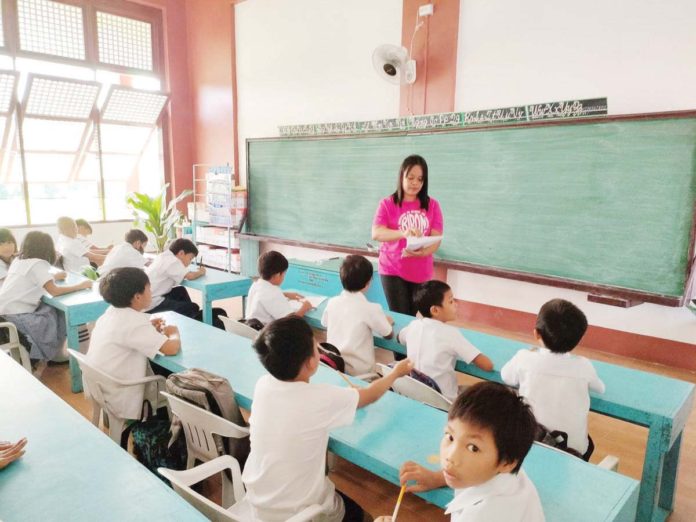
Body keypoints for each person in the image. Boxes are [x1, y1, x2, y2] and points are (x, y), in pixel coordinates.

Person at [241, 316, 413, 522]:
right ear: (312, 362)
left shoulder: (263, 385)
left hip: (259, 505)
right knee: (365, 517)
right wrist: (395, 373)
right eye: (316, 346)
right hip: (303, 514)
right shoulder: (320, 398)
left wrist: (346, 398)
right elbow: (371, 395)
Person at [375, 382, 544, 522]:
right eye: (450, 436)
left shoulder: (480, 515)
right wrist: (436, 478)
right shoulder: (508, 470)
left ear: (506, 462)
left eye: (473, 448)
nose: (451, 457)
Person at [501, 299, 605, 460]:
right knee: (587, 443)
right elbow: (600, 388)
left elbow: (506, 377)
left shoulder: (524, 358)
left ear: (536, 333)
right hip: (574, 452)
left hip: (531, 444)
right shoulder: (584, 365)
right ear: (578, 339)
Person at [87, 267, 180, 420]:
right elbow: (171, 348)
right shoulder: (134, 322)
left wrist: (149, 328)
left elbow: (129, 334)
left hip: (102, 386)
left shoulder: (111, 313)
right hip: (122, 391)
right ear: (137, 297)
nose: (151, 292)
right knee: (173, 376)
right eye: (149, 289)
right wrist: (173, 332)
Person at [0, 231, 92, 361]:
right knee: (63, 314)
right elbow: (54, 291)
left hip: (5, 314)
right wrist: (80, 286)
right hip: (18, 318)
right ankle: (72, 356)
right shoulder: (38, 263)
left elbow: (31, 277)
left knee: (54, 310)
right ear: (47, 248)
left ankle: (57, 355)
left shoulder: (18, 260)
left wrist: (53, 276)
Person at [371, 155, 444, 316]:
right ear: (401, 176)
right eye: (410, 178)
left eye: (420, 179)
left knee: (411, 317)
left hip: (421, 271)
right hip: (392, 269)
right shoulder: (387, 204)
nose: (415, 183)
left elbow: (436, 238)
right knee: (401, 316)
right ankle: (400, 341)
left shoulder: (433, 205)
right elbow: (376, 233)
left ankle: (406, 341)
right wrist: (403, 233)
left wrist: (424, 252)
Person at [398, 280, 493, 400]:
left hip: (416, 395)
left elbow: (399, 338)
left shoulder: (413, 325)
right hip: (444, 400)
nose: (456, 304)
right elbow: (487, 365)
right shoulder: (451, 333)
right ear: (435, 310)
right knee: (484, 393)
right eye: (451, 301)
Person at [321, 254, 393, 376]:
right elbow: (388, 334)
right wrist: (388, 323)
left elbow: (324, 323)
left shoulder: (332, 302)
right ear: (368, 282)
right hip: (360, 372)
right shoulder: (371, 308)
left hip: (334, 366)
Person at [245, 250, 312, 326]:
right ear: (277, 275)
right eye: (284, 274)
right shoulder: (274, 293)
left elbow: (265, 296)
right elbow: (291, 322)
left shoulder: (256, 285)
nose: (284, 277)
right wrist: (304, 307)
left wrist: (285, 294)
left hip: (251, 331)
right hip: (266, 334)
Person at [145, 238, 205, 318]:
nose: (190, 262)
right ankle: (192, 317)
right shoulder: (173, 261)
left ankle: (189, 316)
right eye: (190, 258)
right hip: (152, 303)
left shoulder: (164, 256)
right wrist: (201, 272)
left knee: (181, 291)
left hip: (149, 297)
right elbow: (190, 276)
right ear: (181, 253)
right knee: (193, 307)